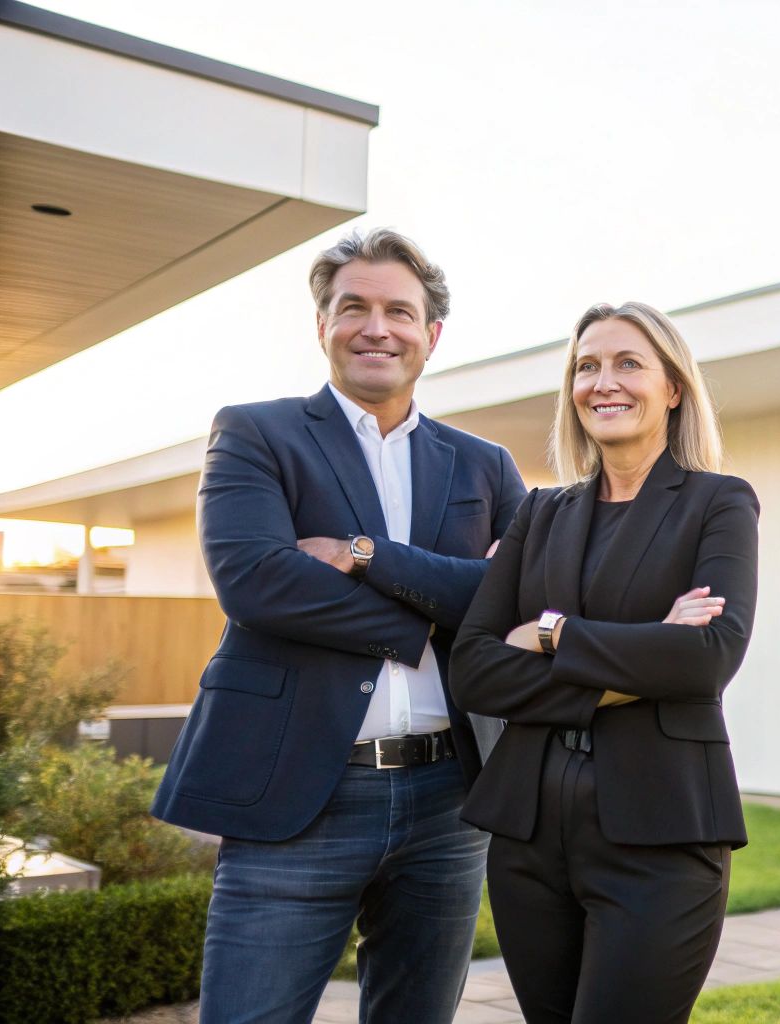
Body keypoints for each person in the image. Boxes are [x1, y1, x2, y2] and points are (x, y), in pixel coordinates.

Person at [150, 228, 527, 1023]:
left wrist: (362, 555)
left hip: (448, 799)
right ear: (321, 324)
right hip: (297, 793)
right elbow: (256, 583)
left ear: (432, 334)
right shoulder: (258, 433)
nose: (376, 327)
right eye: (352, 306)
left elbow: (520, 599)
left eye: (399, 310)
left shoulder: (485, 464)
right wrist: (435, 619)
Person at [451, 301, 758, 1023]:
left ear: (673, 388)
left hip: (661, 830)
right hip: (528, 835)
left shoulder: (719, 504)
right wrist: (642, 651)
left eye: (628, 363)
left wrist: (552, 631)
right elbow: (474, 669)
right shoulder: (540, 512)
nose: (603, 382)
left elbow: (705, 659)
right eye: (586, 366)